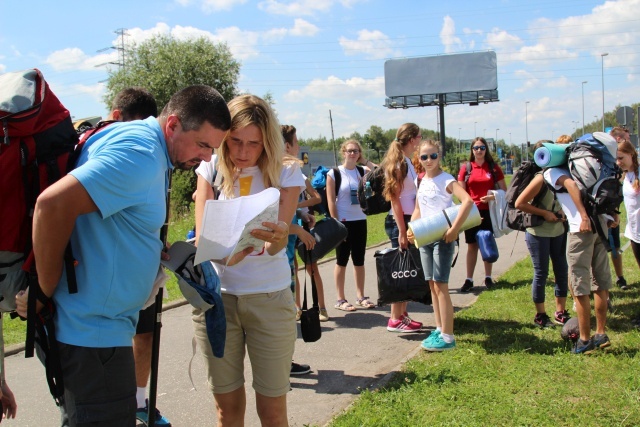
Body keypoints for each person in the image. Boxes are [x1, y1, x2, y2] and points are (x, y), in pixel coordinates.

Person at [15, 85, 231, 425]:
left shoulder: (140, 142)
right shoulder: (141, 156)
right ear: (172, 124)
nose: (206, 157)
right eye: (203, 144)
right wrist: (44, 290)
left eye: (212, 149)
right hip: (94, 336)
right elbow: (52, 205)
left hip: (92, 333)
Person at [193, 95, 305, 426]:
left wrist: (279, 235)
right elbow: (203, 239)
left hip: (269, 298)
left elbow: (274, 249)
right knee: (227, 410)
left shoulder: (286, 172)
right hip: (218, 301)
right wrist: (229, 252)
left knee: (272, 411)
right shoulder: (210, 167)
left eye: (253, 144)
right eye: (236, 142)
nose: (242, 152)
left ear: (267, 142)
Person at [543, 132, 618, 354]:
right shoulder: (590, 165)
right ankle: (601, 333)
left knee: (579, 287)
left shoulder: (553, 171)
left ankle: (584, 340)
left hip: (579, 230)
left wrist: (583, 216)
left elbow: (572, 187)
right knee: (600, 283)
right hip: (599, 227)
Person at [408, 140, 473, 350]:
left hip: (443, 238)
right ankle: (439, 328)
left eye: (433, 156)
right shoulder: (421, 180)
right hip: (425, 237)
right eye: (424, 157)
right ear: (418, 158)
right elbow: (419, 208)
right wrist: (412, 228)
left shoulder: (447, 180)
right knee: (432, 285)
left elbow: (468, 201)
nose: (429, 161)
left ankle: (448, 336)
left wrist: (454, 229)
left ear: (439, 156)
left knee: (441, 285)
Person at [514, 140, 570, 328]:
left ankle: (560, 312)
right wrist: (545, 213)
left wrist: (563, 213)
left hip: (558, 230)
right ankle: (540, 315)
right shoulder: (540, 178)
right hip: (538, 232)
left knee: (561, 270)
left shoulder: (561, 174)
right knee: (541, 273)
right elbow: (519, 203)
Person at [281, 125, 329, 323]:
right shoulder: (287, 171)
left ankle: (320, 307)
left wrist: (299, 208)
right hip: (288, 236)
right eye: (296, 142)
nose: (299, 146)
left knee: (309, 267)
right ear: (286, 146)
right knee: (291, 271)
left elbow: (316, 198)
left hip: (297, 231)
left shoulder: (297, 175)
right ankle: (295, 309)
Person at [380, 123, 423, 332]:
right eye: (420, 137)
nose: (421, 141)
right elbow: (394, 200)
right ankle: (394, 319)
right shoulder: (399, 164)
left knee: (408, 269)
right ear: (412, 139)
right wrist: (401, 231)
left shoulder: (407, 161)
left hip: (408, 220)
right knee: (401, 270)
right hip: (400, 220)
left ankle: (402, 314)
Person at [326, 139, 373, 312]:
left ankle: (361, 296)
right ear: (343, 152)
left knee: (359, 260)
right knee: (341, 260)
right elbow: (331, 201)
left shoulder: (362, 171)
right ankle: (340, 299)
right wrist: (336, 225)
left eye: (356, 151)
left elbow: (381, 173)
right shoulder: (335, 173)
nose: (352, 154)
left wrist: (365, 161)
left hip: (360, 220)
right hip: (343, 222)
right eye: (349, 150)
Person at [457, 137, 506, 292]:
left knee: (486, 242)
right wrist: (469, 205)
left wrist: (493, 197)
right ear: (472, 150)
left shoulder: (493, 167)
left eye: (482, 148)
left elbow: (504, 190)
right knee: (472, 246)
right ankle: (469, 279)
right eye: (476, 148)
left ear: (486, 150)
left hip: (488, 211)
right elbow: (460, 192)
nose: (479, 150)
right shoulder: (466, 168)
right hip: (471, 212)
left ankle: (488, 277)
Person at [616, 139, 640, 324]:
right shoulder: (625, 176)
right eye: (616, 159)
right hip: (634, 233)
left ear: (631, 155)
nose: (619, 162)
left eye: (621, 158)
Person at [609, 127, 632, 290]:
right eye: (626, 138)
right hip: (604, 214)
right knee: (601, 251)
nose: (628, 141)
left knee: (615, 246)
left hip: (613, 212)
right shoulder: (607, 161)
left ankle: (620, 277)